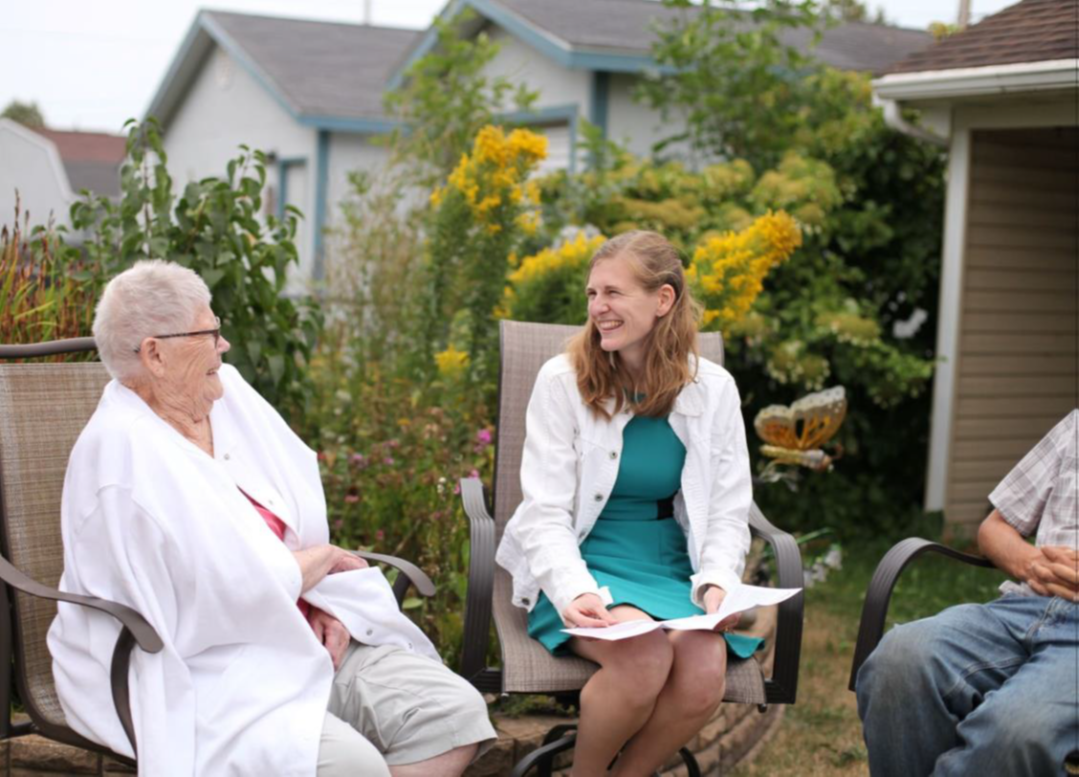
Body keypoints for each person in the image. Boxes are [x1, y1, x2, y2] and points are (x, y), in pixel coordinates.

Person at [48, 260, 496, 777]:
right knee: (353, 767)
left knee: (451, 717)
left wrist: (321, 601)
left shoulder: (229, 395)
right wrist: (319, 563)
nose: (225, 344)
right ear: (155, 353)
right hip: (214, 671)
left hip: (310, 635)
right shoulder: (121, 459)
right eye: (209, 331)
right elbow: (206, 599)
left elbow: (295, 515)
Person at [495, 231, 762, 776]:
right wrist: (574, 589)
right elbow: (544, 512)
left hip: (668, 564)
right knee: (642, 659)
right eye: (593, 295)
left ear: (663, 300)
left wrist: (715, 580)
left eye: (614, 293)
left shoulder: (714, 389)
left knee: (703, 666)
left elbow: (729, 509)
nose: (598, 309)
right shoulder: (562, 380)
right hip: (582, 559)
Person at [856, 409, 1079, 776]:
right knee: (897, 661)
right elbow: (995, 528)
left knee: (1017, 731)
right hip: (1025, 608)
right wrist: (1030, 563)